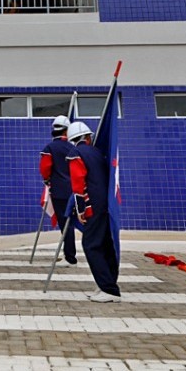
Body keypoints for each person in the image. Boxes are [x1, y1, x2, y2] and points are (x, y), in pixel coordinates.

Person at [67, 121, 120, 301]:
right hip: (105, 205)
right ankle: (109, 283)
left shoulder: (76, 154)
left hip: (92, 206)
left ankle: (109, 289)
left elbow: (78, 185)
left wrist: (80, 210)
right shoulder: (97, 152)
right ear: (87, 137)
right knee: (105, 245)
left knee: (91, 245)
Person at [40, 115, 80, 266]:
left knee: (65, 223)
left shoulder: (49, 148)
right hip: (75, 190)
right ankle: (70, 253)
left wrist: (47, 180)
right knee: (73, 222)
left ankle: (70, 255)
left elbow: (45, 169)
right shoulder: (73, 147)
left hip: (58, 191)